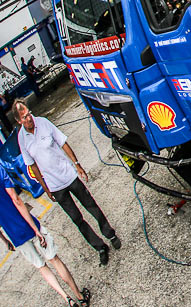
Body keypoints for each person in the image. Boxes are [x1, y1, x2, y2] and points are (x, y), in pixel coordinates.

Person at [0, 142, 90, 306]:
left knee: (41, 267)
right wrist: (35, 229)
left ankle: (67, 299)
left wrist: (5, 240)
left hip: (15, 236)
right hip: (27, 225)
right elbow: (17, 201)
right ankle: (79, 296)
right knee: (54, 260)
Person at [14, 101, 119, 266]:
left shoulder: (43, 123)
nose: (29, 118)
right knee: (77, 218)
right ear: (19, 121)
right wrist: (46, 188)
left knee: (90, 205)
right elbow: (32, 165)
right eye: (25, 117)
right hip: (55, 186)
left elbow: (63, 142)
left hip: (68, 176)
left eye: (29, 113)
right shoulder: (22, 139)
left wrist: (77, 164)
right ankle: (99, 247)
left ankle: (109, 233)